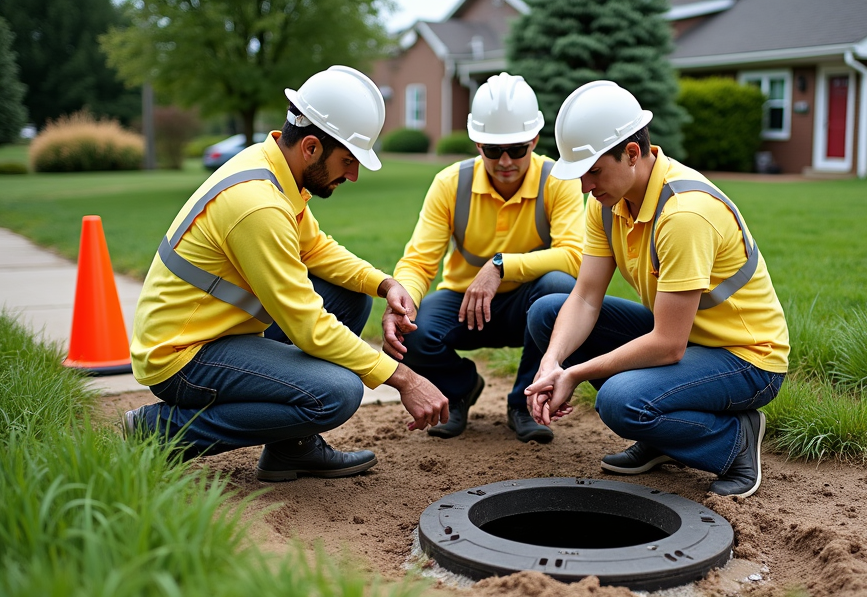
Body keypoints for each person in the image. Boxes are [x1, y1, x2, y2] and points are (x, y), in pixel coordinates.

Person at [124, 66, 448, 481]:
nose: (353, 175)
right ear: (311, 146)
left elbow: (314, 247)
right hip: (182, 356)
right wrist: (404, 379)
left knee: (351, 296)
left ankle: (290, 449)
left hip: (219, 334)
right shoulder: (257, 205)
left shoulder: (274, 170)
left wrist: (385, 284)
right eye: (348, 160)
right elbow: (307, 325)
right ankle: (160, 432)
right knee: (337, 393)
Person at [525, 80, 789, 498]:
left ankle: (735, 440)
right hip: (686, 340)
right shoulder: (608, 202)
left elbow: (667, 345)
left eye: (593, 171)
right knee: (548, 313)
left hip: (745, 358)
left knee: (617, 401)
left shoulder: (685, 214)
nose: (584, 187)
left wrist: (574, 373)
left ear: (632, 153)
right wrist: (551, 363)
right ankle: (664, 433)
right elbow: (585, 296)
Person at [383, 72, 583, 443]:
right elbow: (419, 261)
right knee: (410, 327)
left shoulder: (559, 179)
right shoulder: (450, 183)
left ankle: (526, 401)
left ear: (535, 140)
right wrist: (402, 300)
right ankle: (459, 388)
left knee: (560, 289)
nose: (505, 160)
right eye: (493, 150)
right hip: (464, 306)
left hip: (531, 308)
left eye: (517, 149)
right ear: (477, 144)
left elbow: (576, 257)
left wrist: (500, 265)